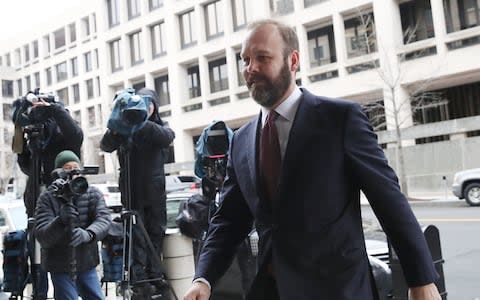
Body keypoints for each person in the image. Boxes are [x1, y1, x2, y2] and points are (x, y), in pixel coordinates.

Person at [184, 19, 442, 300]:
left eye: (262, 57)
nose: (251, 68)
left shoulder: (340, 120)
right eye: (245, 59)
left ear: (293, 60)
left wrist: (421, 280)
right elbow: (230, 220)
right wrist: (203, 278)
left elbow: (389, 202)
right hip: (271, 290)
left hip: (339, 290)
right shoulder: (242, 140)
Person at [100, 87, 175, 299]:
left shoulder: (158, 127)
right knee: (136, 236)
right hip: (132, 193)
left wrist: (141, 123)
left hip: (155, 193)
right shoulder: (123, 127)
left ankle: (154, 273)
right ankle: (139, 276)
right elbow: (105, 145)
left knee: (155, 232)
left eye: (150, 104)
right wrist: (119, 125)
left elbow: (167, 136)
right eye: (143, 103)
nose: (147, 107)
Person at [13, 94, 83, 300]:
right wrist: (24, 140)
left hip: (62, 200)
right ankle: (39, 292)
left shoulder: (64, 136)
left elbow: (76, 134)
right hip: (35, 198)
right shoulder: (34, 138)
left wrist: (53, 108)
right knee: (35, 251)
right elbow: (26, 166)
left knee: (61, 253)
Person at [34, 150, 111, 299]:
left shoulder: (93, 193)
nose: (73, 173)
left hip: (86, 263)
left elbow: (104, 219)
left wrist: (88, 234)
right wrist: (60, 221)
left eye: (76, 168)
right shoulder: (47, 198)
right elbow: (42, 235)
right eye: (67, 168)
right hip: (59, 265)